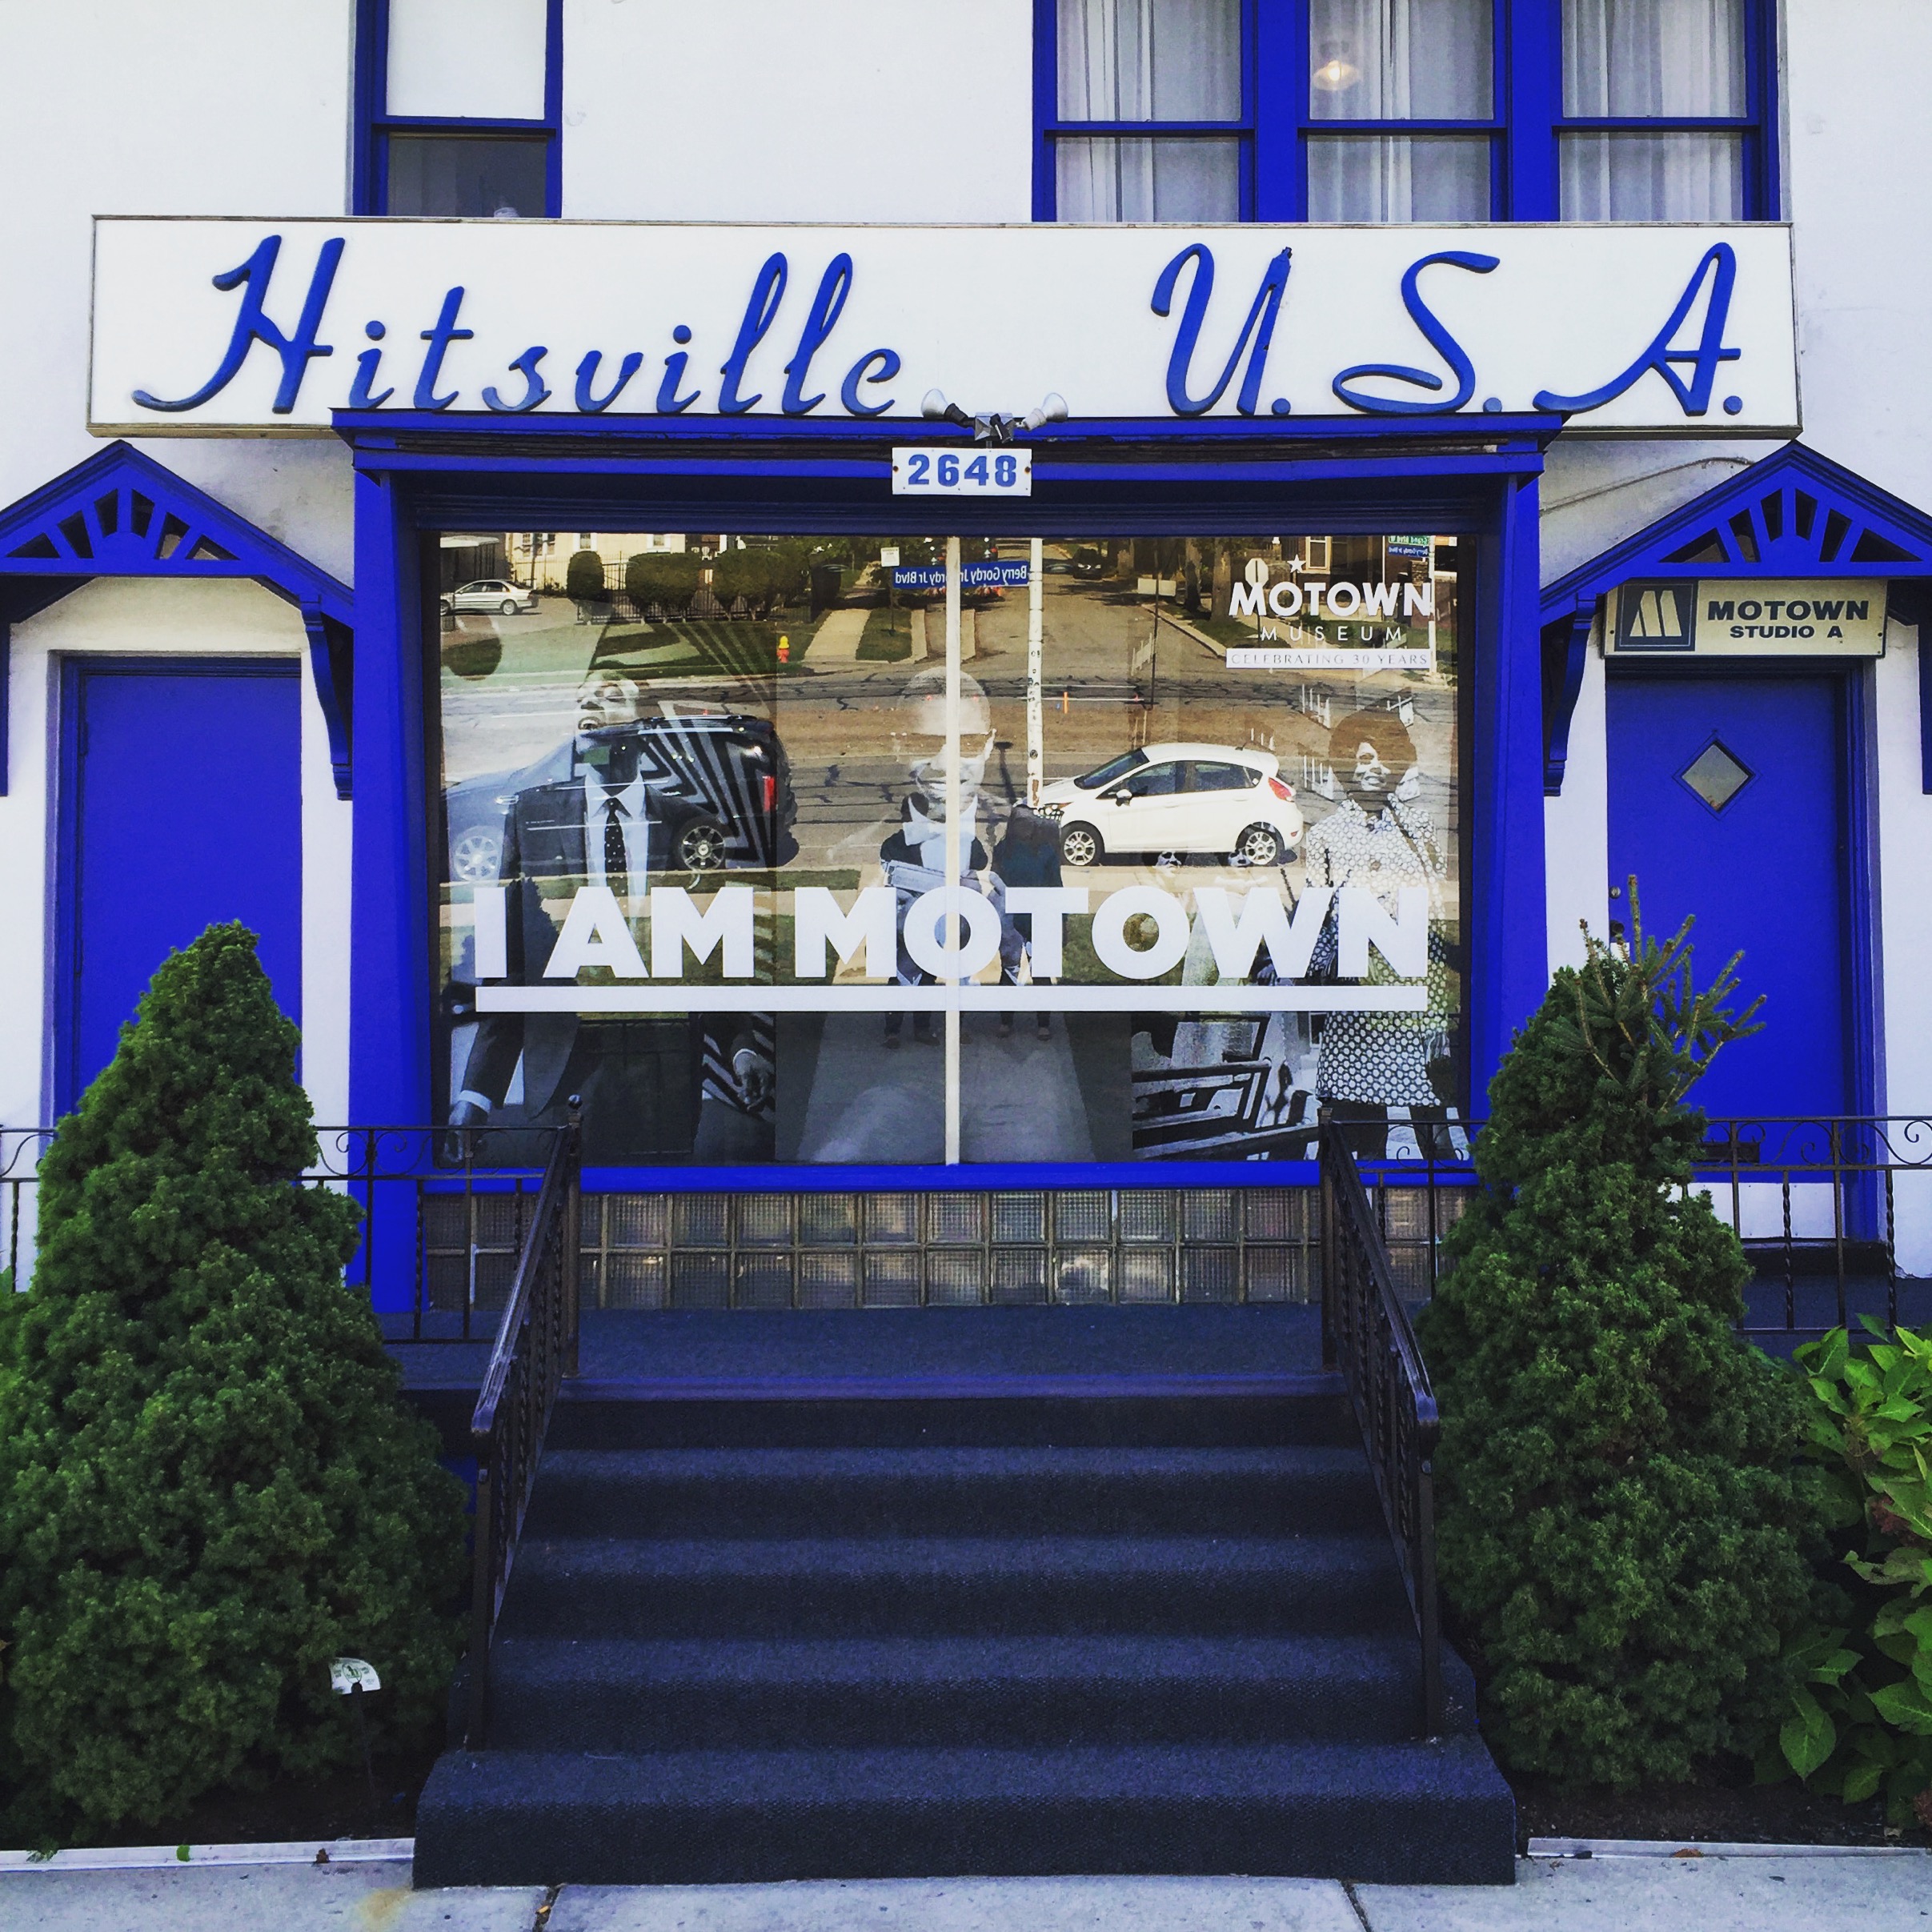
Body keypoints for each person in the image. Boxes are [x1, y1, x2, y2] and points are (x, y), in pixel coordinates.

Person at [1300, 706, 1456, 1158]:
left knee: (1436, 1132)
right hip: (1360, 1003)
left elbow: (1438, 910)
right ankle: (1358, 1224)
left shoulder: (1419, 826)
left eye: (1383, 759)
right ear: (1347, 764)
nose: (1374, 769)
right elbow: (1318, 916)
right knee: (1360, 1133)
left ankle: (1443, 1221)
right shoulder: (1325, 835)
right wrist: (1309, 970)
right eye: (1364, 759)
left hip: (1413, 997)